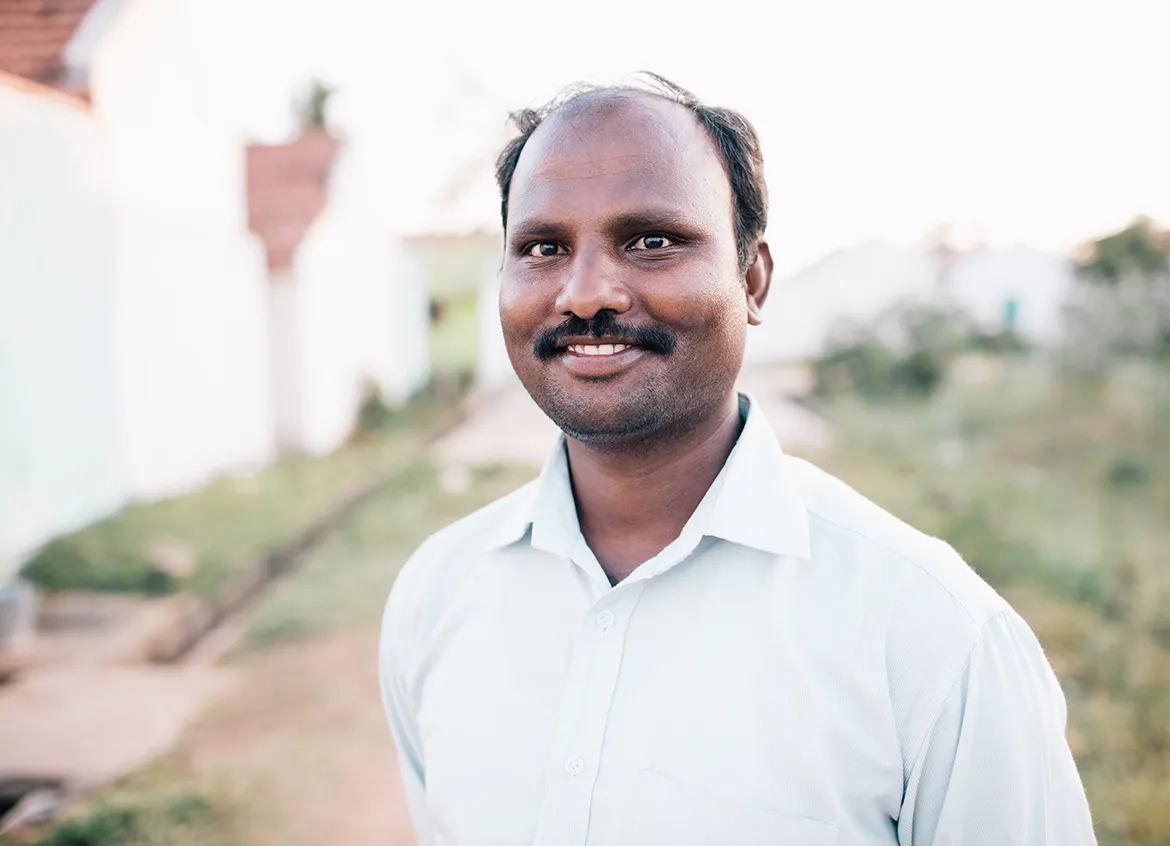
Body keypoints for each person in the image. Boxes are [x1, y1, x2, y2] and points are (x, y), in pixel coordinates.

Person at [379, 73, 1096, 845]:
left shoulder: (935, 636)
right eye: (543, 247)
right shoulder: (436, 594)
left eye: (651, 240)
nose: (585, 294)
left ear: (752, 279)